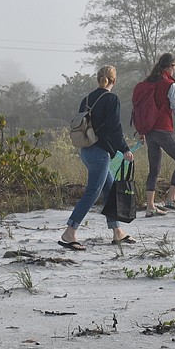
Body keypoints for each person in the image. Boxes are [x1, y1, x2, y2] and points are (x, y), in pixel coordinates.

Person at [59, 66, 135, 250]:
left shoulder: (86, 99)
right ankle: (69, 232)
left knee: (109, 190)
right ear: (114, 81)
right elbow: (114, 127)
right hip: (100, 154)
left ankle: (117, 232)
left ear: (98, 79)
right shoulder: (112, 99)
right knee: (93, 192)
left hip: (86, 151)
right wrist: (124, 149)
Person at [139, 53, 175, 215]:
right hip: (163, 129)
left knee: (154, 168)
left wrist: (141, 130)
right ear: (169, 66)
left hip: (149, 131)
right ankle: (171, 199)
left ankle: (150, 207)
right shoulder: (169, 84)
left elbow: (140, 107)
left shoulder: (146, 83)